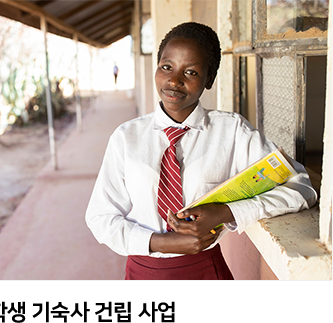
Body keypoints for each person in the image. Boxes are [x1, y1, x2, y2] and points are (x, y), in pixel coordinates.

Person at [85, 22, 317, 280]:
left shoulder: (231, 132)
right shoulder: (126, 138)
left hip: (205, 271)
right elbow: (100, 217)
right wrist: (162, 243)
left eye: (191, 72)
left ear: (209, 79)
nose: (174, 80)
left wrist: (226, 212)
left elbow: (302, 189)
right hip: (143, 272)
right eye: (166, 67)